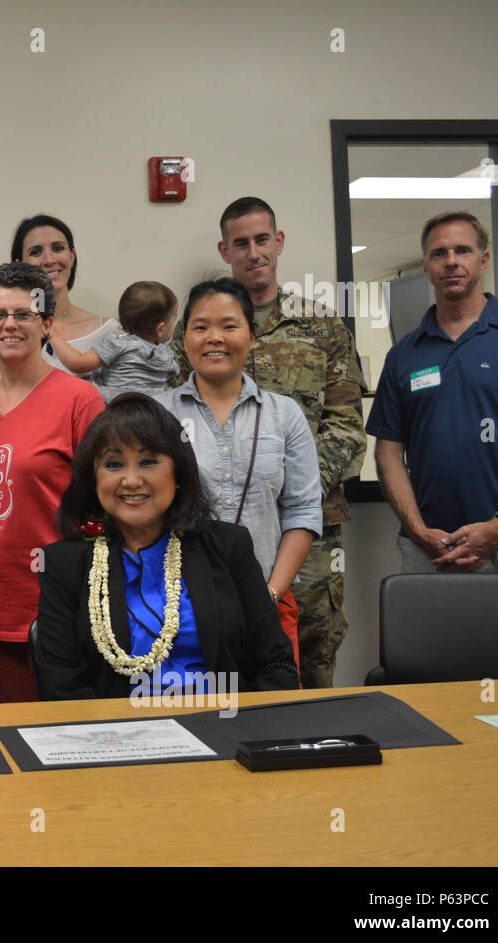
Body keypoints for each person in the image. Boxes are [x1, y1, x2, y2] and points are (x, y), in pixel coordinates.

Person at [172, 197, 366, 688]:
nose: (254, 251)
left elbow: (345, 425)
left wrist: (287, 483)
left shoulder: (322, 325)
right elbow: (175, 420)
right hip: (205, 547)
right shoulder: (189, 331)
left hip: (307, 536)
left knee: (307, 661)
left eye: (263, 239)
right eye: (241, 243)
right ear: (226, 250)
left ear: (278, 243)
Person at [34, 394, 299, 699]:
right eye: (114, 464)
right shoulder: (65, 565)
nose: (131, 480)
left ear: (178, 472)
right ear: (93, 479)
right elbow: (61, 688)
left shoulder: (229, 547)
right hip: (117, 736)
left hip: (226, 725)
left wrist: (246, 733)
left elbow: (274, 663)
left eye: (149, 462)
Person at [0, 262, 106, 702]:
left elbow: (103, 509)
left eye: (24, 314)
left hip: (62, 604)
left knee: (72, 738)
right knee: (19, 735)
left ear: (46, 324)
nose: (10, 325)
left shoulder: (80, 399)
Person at [158, 278, 321, 665]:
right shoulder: (158, 414)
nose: (214, 337)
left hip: (269, 601)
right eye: (200, 327)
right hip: (178, 609)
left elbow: (303, 511)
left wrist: (267, 596)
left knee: (273, 718)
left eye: (229, 326)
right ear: (184, 339)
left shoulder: (284, 414)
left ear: (251, 337)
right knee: (191, 717)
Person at [368, 211, 498, 572]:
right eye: (438, 253)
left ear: (483, 261)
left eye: (462, 250)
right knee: (428, 631)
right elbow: (388, 452)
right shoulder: (404, 355)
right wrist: (417, 531)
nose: (451, 262)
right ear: (426, 267)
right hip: (430, 548)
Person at [0, 213, 116, 400]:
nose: (49, 259)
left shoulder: (109, 332)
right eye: (35, 252)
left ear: (72, 256)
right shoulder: (2, 330)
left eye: (58, 248)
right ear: (20, 264)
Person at [46, 280, 180, 401]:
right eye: (173, 319)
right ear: (160, 329)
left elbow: (78, 363)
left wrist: (53, 335)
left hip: (117, 409)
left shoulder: (118, 342)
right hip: (153, 411)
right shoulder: (166, 354)